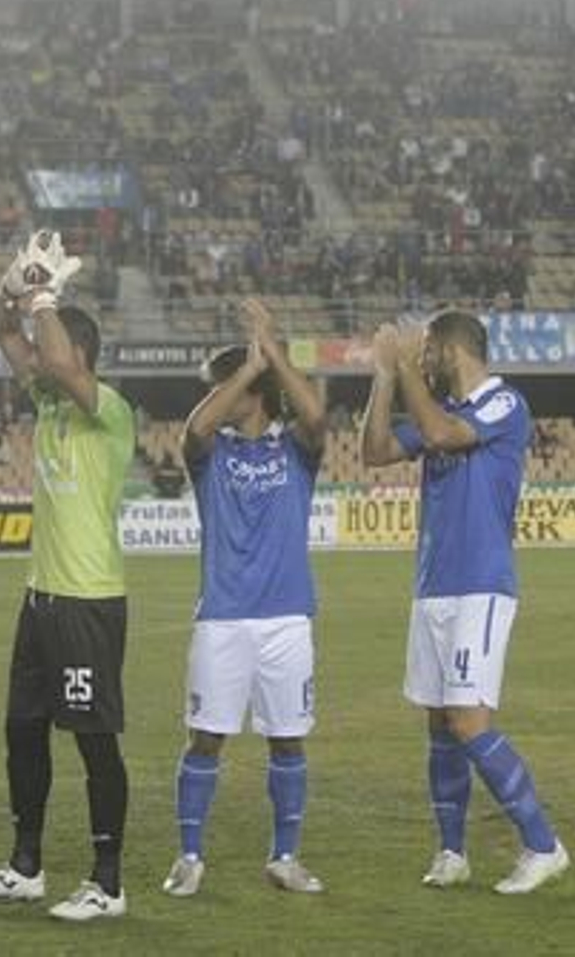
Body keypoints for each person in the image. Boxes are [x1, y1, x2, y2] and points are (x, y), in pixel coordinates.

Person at [0, 231, 136, 922]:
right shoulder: (51, 404)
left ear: (81, 355)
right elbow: (2, 326)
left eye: (56, 346)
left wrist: (45, 296)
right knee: (21, 728)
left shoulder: (109, 410)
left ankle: (109, 880)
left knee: (94, 739)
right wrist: (14, 281)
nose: (42, 359)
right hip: (43, 599)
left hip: (90, 601)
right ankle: (25, 866)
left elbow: (53, 353)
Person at [360, 311, 569, 895]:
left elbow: (442, 437)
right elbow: (375, 451)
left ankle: (542, 844)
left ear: (452, 350)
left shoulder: (505, 404)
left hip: (481, 584)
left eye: (427, 350)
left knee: (469, 721)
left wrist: (406, 370)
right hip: (434, 586)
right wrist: (384, 377)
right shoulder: (442, 412)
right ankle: (452, 852)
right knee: (439, 725)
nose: (422, 359)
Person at [163, 298, 329, 899]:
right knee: (205, 737)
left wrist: (272, 356)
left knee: (288, 738)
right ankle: (189, 856)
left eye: (229, 387)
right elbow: (195, 429)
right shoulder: (212, 456)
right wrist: (246, 367)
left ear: (255, 392)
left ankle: (285, 857)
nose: (217, 396)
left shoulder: (295, 452)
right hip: (224, 620)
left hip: (287, 618)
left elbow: (316, 417)